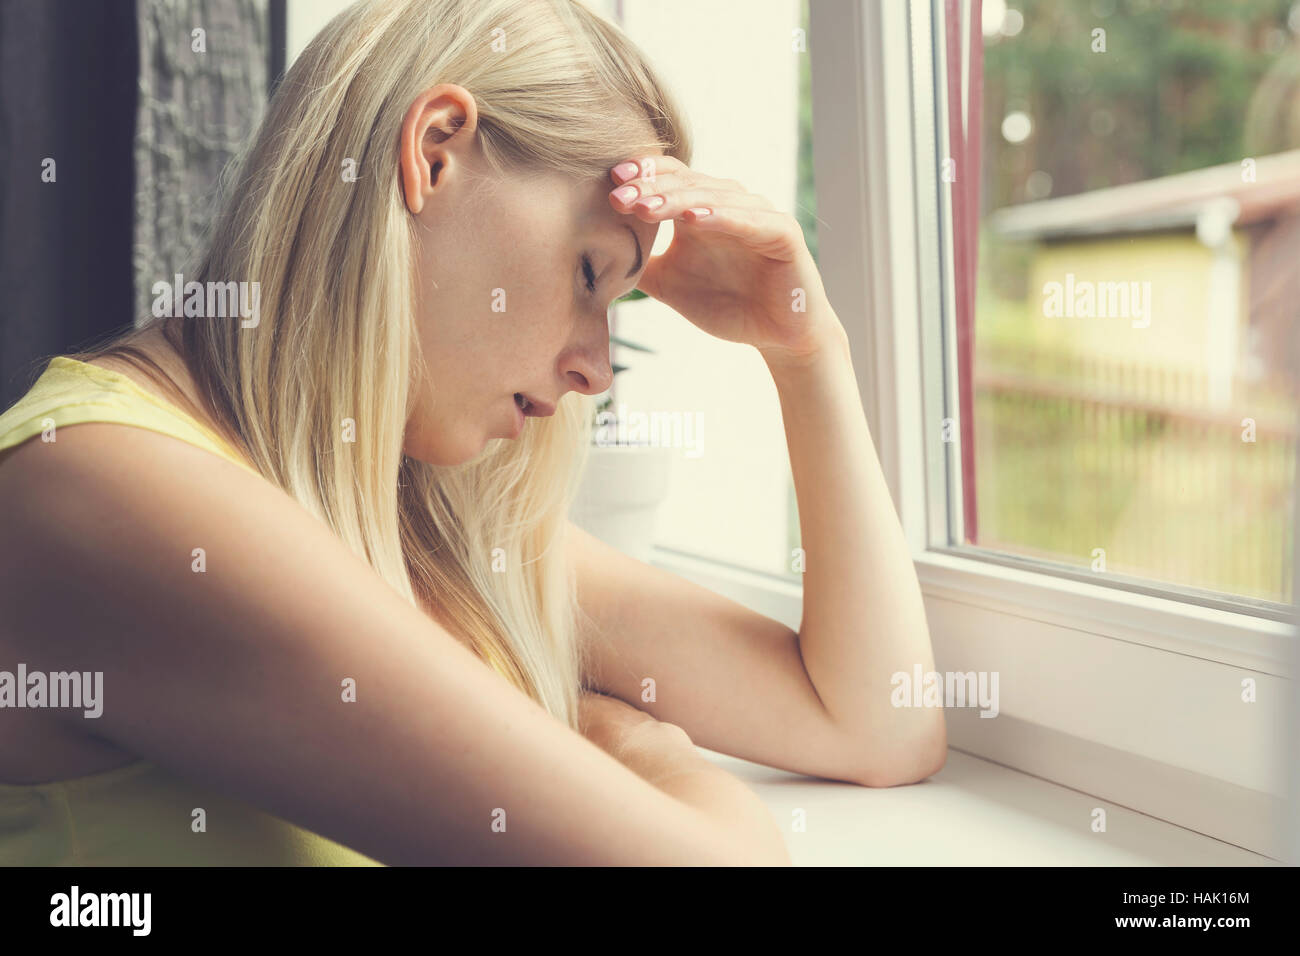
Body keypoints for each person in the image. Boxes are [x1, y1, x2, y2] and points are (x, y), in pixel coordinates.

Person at [0, 0, 943, 866]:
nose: (595, 370)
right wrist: (640, 752)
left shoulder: (410, 516)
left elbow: (874, 722)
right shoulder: (99, 489)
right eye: (588, 276)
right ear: (436, 150)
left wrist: (807, 348)